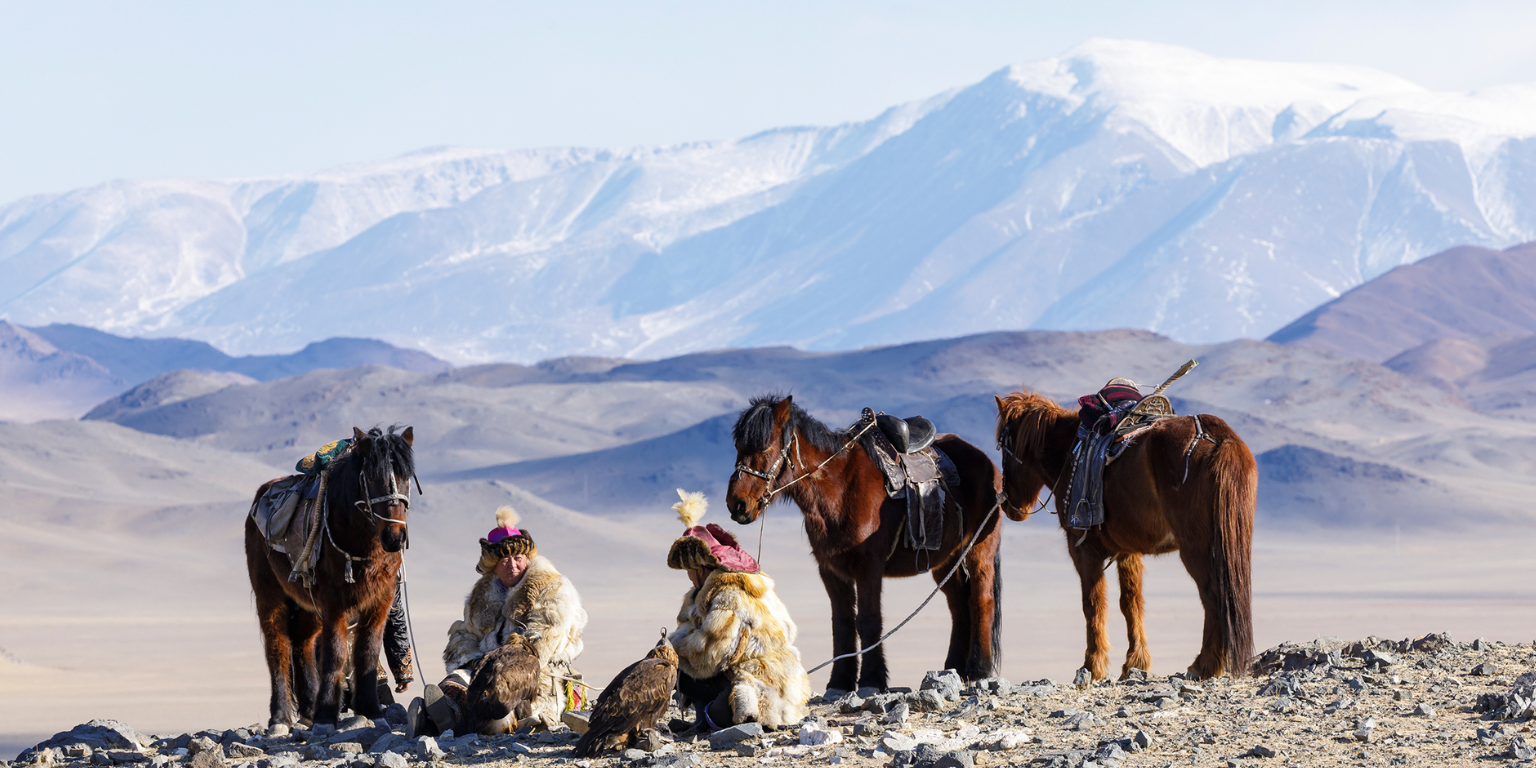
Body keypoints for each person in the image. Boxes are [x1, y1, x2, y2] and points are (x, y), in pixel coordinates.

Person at [411, 506, 588, 735]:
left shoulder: (554, 588)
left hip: (536, 672)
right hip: (486, 666)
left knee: (503, 697)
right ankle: (441, 715)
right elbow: (466, 634)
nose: (512, 565)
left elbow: (543, 639)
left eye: (518, 558)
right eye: (504, 559)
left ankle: (460, 724)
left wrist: (499, 668)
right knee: (455, 684)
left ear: (528, 558)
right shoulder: (482, 594)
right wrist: (476, 664)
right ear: (493, 564)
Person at [665, 490, 811, 732]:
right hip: (785, 681)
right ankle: (704, 721)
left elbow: (710, 656)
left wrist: (671, 656)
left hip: (764, 687)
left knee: (687, 680)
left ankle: (708, 721)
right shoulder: (744, 583)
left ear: (702, 569)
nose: (689, 577)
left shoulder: (728, 595)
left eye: (689, 570)